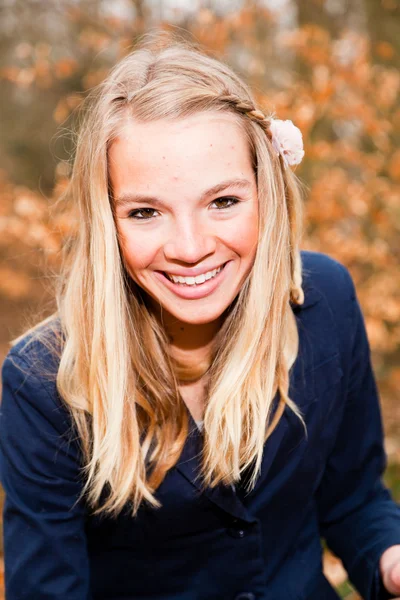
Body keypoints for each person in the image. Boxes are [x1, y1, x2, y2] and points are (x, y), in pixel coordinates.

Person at [1, 35, 400, 600]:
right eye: (146, 212)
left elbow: (355, 499)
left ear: (267, 193)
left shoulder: (324, 302)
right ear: (106, 223)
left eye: (222, 202)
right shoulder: (43, 382)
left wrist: (389, 558)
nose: (190, 247)